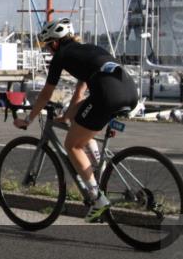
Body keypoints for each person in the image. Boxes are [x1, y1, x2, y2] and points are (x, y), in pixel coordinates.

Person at [13, 18, 139, 222]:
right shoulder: (88, 50)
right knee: (81, 122)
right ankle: (98, 168)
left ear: (55, 43)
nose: (49, 51)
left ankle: (97, 198)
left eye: (48, 47)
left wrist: (28, 119)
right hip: (130, 92)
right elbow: (80, 93)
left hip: (107, 96)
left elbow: (45, 95)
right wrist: (68, 115)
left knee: (72, 145)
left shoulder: (61, 56)